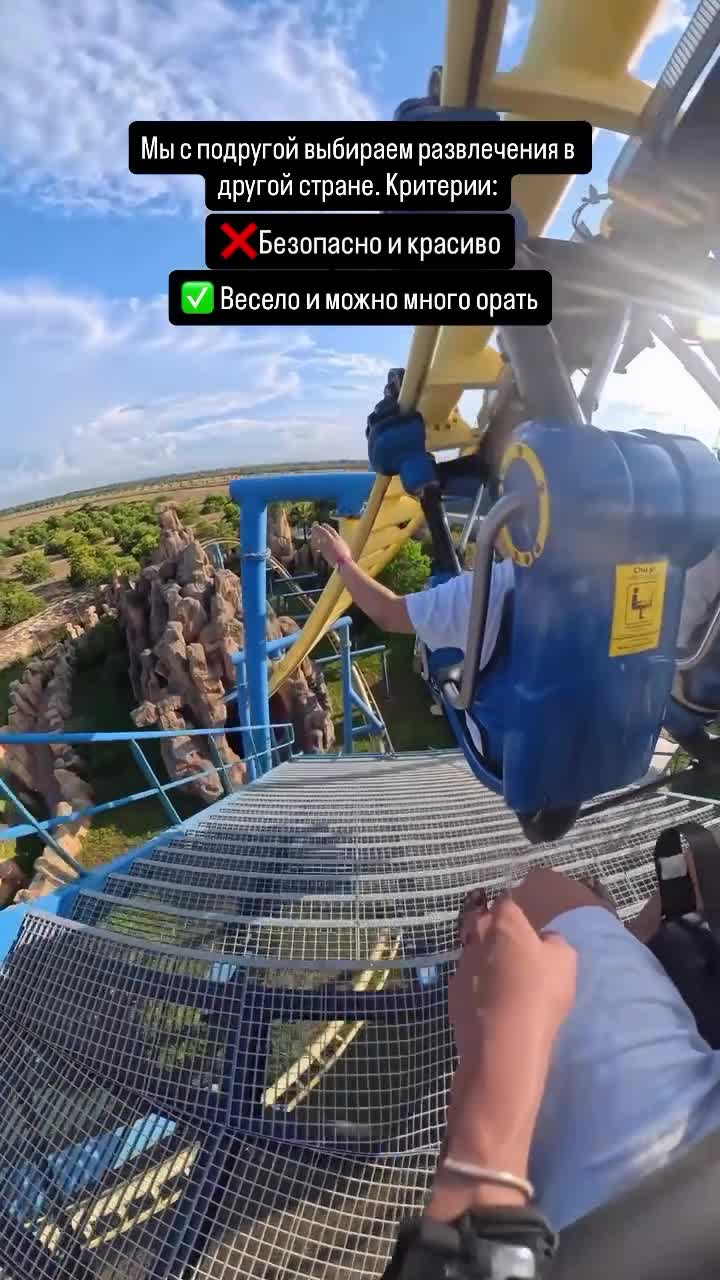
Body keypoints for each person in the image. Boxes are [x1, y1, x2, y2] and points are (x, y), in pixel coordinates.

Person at [385, 865, 720, 1277]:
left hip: (607, 1196)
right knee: (540, 912)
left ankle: (604, 938)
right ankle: (625, 936)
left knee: (532, 904)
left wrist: (500, 1052)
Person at [310, 521, 513, 754]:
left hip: (504, 755)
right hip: (550, 751)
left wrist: (342, 560)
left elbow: (388, 612)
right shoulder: (542, 583)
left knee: (447, 666)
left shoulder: (487, 588)